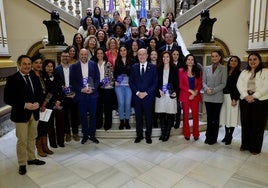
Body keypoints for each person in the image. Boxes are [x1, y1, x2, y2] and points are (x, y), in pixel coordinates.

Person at [4, 55, 45, 175]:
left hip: (34, 113)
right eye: (24, 64)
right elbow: (8, 98)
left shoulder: (34, 76)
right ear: (19, 65)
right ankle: (22, 163)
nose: (27, 66)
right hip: (21, 114)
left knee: (32, 137)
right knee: (22, 140)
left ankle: (31, 158)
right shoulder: (12, 79)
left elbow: (40, 93)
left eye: (28, 64)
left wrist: (38, 102)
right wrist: (24, 105)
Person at [237, 52, 268, 155]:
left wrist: (254, 96)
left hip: (260, 101)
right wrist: (246, 96)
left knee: (258, 125)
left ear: (259, 60)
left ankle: (255, 148)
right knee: (246, 123)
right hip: (245, 100)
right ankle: (245, 145)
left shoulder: (265, 72)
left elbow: (266, 86)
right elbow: (239, 85)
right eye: (250, 59)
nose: (252, 61)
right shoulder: (244, 72)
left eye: (255, 59)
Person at [70, 48, 100, 144]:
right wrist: (81, 89)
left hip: (92, 94)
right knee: (82, 115)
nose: (83, 56)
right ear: (79, 55)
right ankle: (85, 135)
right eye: (82, 54)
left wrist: (93, 88)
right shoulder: (74, 66)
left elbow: (97, 78)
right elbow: (73, 81)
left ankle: (92, 134)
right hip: (81, 95)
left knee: (93, 115)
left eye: (85, 54)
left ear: (88, 55)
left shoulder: (93, 64)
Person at [129, 48, 158, 144]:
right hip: (137, 97)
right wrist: (137, 93)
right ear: (137, 56)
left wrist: (146, 93)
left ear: (147, 55)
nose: (142, 56)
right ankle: (139, 135)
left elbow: (155, 83)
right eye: (140, 54)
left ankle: (148, 136)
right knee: (138, 117)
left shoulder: (153, 67)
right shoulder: (134, 67)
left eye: (143, 54)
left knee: (149, 117)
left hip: (148, 97)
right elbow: (131, 82)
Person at [54, 50, 80, 142]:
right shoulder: (56, 69)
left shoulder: (74, 68)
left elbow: (78, 81)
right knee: (64, 116)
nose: (65, 58)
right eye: (63, 56)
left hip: (73, 95)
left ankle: (76, 133)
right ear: (60, 58)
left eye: (67, 56)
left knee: (74, 116)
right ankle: (67, 133)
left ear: (69, 57)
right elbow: (56, 84)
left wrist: (75, 93)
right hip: (63, 97)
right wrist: (61, 88)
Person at [31, 54, 54, 157]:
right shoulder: (30, 76)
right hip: (35, 107)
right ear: (32, 64)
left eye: (40, 63)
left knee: (44, 126)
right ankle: (39, 148)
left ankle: (45, 146)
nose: (39, 65)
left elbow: (50, 90)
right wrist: (39, 105)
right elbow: (31, 94)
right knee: (38, 128)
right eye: (36, 63)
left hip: (45, 105)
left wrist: (45, 103)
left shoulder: (43, 75)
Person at [203, 50, 227, 145]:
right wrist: (206, 89)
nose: (214, 58)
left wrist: (212, 90)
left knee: (215, 118)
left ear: (220, 57)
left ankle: (213, 138)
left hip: (217, 96)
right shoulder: (206, 68)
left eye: (216, 56)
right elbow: (203, 82)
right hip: (207, 96)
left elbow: (223, 83)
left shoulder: (224, 68)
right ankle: (208, 136)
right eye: (212, 56)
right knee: (209, 118)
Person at [42, 59, 65, 148]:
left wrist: (59, 100)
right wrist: (51, 102)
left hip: (59, 103)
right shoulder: (42, 77)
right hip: (48, 104)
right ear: (44, 67)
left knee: (60, 123)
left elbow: (61, 89)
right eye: (48, 66)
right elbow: (46, 92)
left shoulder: (57, 75)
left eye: (51, 66)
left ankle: (61, 141)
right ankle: (53, 143)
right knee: (50, 125)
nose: (50, 68)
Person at [179, 54, 202, 141]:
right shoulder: (181, 71)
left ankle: (196, 134)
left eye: (192, 59)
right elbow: (181, 85)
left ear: (194, 62)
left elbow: (200, 83)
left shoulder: (198, 71)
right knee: (185, 116)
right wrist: (190, 91)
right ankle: (187, 133)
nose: (190, 61)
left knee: (195, 116)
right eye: (188, 59)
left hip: (195, 96)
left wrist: (195, 92)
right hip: (185, 95)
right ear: (185, 61)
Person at [155, 51, 178, 142]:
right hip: (161, 94)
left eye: (167, 56)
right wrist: (158, 90)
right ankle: (163, 132)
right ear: (161, 58)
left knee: (169, 115)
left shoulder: (174, 68)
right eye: (163, 56)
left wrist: (175, 91)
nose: (165, 58)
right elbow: (155, 82)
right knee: (162, 114)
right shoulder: (158, 68)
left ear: (170, 58)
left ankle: (167, 133)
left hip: (170, 94)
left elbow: (177, 82)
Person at [219, 56, 241, 145]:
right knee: (225, 116)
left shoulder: (239, 73)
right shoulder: (225, 71)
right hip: (224, 97)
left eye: (235, 61)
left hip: (233, 98)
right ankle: (226, 135)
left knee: (232, 117)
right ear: (229, 62)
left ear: (238, 63)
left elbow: (238, 87)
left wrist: (235, 99)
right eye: (232, 60)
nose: (233, 62)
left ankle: (230, 135)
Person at [95, 48, 115, 131]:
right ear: (96, 55)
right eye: (98, 53)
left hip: (107, 88)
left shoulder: (108, 64)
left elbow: (111, 77)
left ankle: (108, 124)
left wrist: (105, 83)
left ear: (104, 54)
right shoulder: (94, 64)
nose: (99, 55)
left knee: (107, 107)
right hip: (97, 88)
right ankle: (99, 123)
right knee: (98, 107)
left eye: (101, 53)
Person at [114, 45, 133, 130]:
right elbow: (115, 73)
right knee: (121, 103)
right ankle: (122, 121)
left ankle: (127, 121)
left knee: (128, 103)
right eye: (121, 50)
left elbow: (134, 73)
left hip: (129, 85)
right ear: (119, 52)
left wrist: (131, 82)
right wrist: (115, 81)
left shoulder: (132, 61)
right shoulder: (117, 61)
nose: (123, 52)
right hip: (119, 85)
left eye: (124, 50)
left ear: (127, 51)